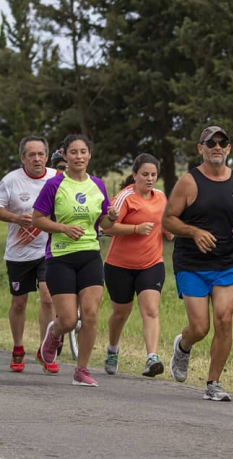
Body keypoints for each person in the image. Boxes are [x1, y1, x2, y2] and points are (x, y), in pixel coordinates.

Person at [164, 126, 233, 402]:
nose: (217, 146)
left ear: (228, 148)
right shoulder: (189, 182)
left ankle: (213, 383)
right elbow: (168, 220)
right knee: (201, 327)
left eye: (222, 142)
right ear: (200, 148)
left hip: (227, 261)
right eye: (211, 142)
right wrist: (193, 232)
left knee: (224, 321)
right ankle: (183, 345)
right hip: (192, 263)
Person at [33, 133, 118, 386]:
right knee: (69, 320)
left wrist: (111, 218)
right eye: (73, 152)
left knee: (90, 314)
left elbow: (102, 223)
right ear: (65, 156)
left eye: (83, 152)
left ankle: (82, 370)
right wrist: (62, 228)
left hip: (90, 254)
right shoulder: (55, 185)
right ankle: (53, 334)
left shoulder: (98, 185)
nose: (79, 157)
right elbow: (38, 219)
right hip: (60, 257)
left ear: (89, 155)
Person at [102, 154, 173, 377]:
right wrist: (135, 229)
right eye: (145, 174)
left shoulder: (161, 197)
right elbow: (106, 228)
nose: (149, 179)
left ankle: (152, 357)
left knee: (151, 310)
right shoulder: (125, 197)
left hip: (151, 263)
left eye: (153, 175)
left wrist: (170, 230)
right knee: (120, 313)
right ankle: (113, 349)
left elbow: (166, 221)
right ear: (134, 175)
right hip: (119, 265)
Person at [0, 136, 58, 373]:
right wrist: (16, 218)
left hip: (48, 250)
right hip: (19, 253)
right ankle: (18, 347)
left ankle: (46, 350)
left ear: (46, 155)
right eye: (31, 155)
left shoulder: (57, 178)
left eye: (40, 154)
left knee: (48, 297)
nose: (36, 159)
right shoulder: (11, 181)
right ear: (23, 158)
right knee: (19, 302)